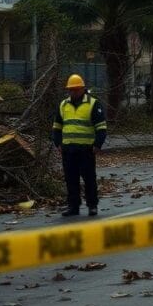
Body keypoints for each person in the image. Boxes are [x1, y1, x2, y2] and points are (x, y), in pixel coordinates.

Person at [52, 74, 107, 217]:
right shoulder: (63, 105)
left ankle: (92, 205)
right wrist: (57, 143)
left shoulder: (93, 104)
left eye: (76, 89)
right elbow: (57, 126)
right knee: (71, 180)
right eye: (71, 90)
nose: (73, 92)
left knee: (89, 179)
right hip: (68, 150)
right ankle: (73, 206)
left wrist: (97, 145)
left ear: (83, 89)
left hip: (86, 149)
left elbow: (101, 127)